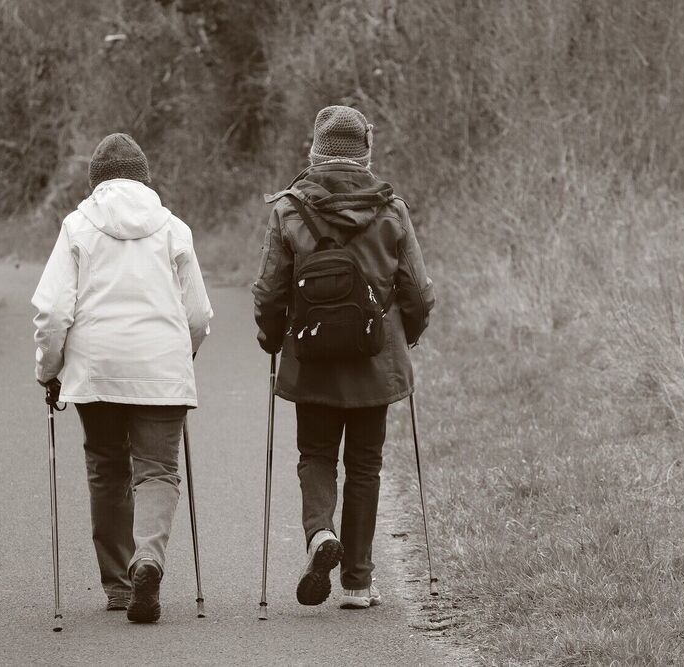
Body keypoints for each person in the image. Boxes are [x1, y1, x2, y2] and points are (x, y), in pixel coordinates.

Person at [252, 105, 435, 610]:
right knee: (365, 466)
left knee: (315, 455)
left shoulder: (289, 209)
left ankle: (318, 535)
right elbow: (418, 292)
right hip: (374, 362)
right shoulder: (391, 210)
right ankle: (357, 581)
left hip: (311, 359)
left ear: (315, 150)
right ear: (365, 155)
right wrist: (409, 336)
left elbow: (269, 292)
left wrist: (272, 339)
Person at [32, 133, 212, 623]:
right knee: (156, 469)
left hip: (96, 368)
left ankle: (117, 585)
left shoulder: (77, 227)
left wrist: (48, 371)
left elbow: (51, 311)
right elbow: (197, 314)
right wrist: (184, 355)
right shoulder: (174, 228)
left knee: (108, 468)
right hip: (161, 367)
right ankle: (148, 558)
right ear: (144, 180)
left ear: (96, 182)